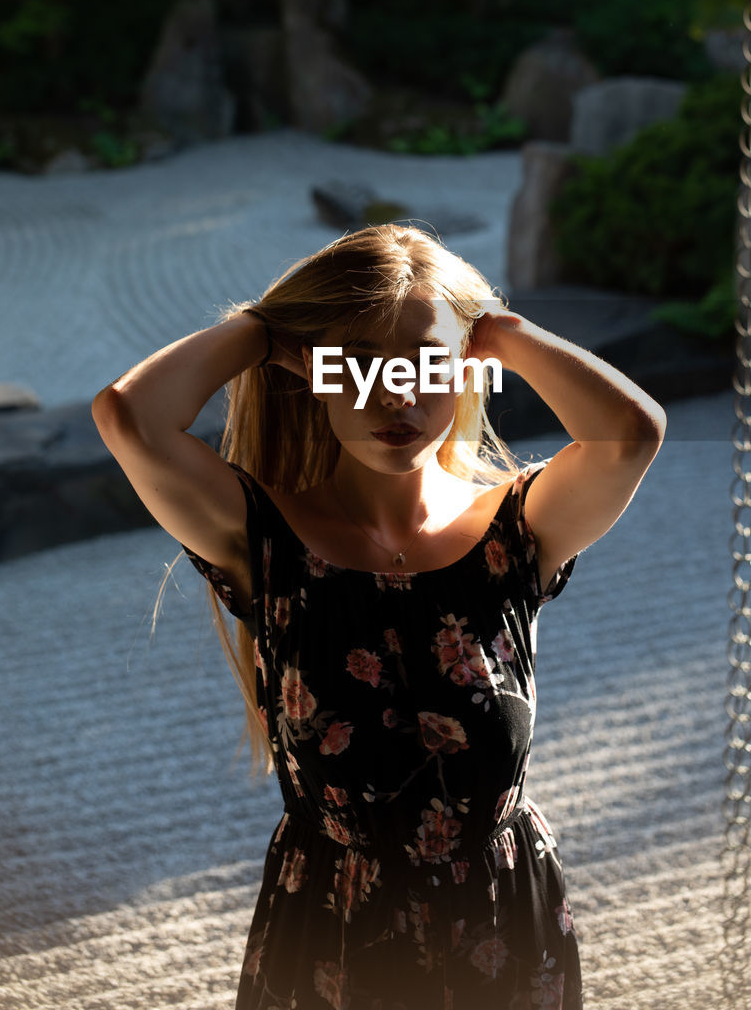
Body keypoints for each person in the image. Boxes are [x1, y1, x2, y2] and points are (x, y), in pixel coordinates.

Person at [92, 223, 666, 1010]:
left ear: (466, 373)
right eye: (359, 365)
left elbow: (629, 433)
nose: (396, 397)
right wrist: (265, 330)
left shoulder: (516, 530)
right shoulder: (261, 537)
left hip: (499, 923)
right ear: (311, 372)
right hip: (333, 932)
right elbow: (129, 417)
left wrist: (498, 332)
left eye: (426, 366)